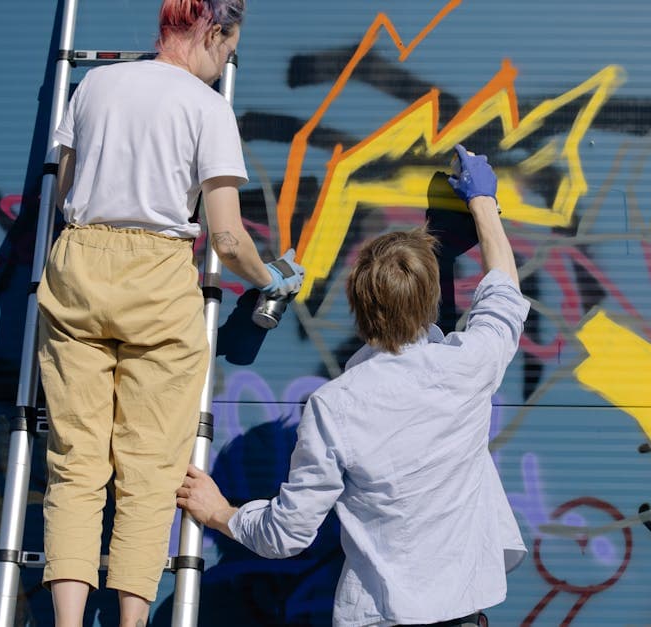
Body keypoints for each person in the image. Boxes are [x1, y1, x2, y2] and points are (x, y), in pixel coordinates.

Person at [177, 144, 528, 627]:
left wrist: (221, 514)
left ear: (357, 311)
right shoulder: (469, 366)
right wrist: (483, 201)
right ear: (429, 304)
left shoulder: (334, 405)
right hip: (465, 614)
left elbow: (288, 533)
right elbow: (503, 295)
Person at [36, 1, 303, 625]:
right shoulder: (207, 108)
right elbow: (229, 239)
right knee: (150, 469)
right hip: (157, 274)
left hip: (78, 260)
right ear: (212, 31)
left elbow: (65, 190)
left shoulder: (96, 83)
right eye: (229, 47)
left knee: (75, 464)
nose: (228, 60)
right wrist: (273, 279)